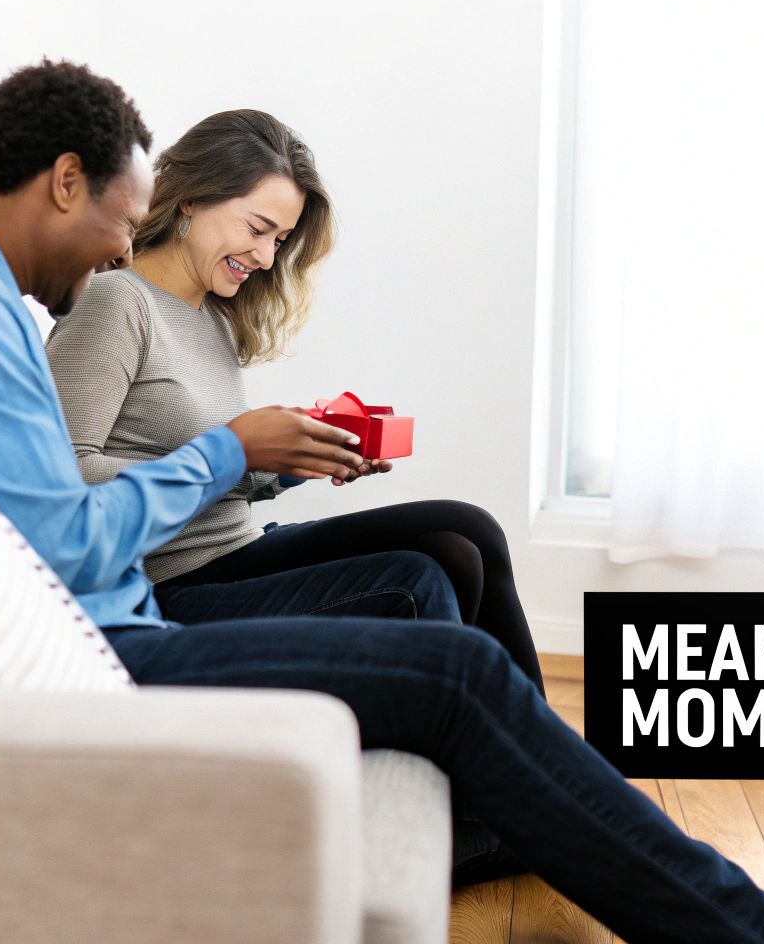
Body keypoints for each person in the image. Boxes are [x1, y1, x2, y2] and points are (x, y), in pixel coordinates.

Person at [0, 59, 764, 944]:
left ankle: (592, 830)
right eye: (115, 219)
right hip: (87, 649)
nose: (113, 250)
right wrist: (226, 454)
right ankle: (752, 929)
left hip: (91, 621)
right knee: (451, 650)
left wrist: (268, 458)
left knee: (453, 590)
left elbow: (35, 523)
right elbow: (56, 532)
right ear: (66, 181)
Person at [43, 109, 545, 697]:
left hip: (232, 547)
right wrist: (232, 451)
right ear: (190, 201)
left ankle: (531, 736)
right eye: (256, 228)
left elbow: (220, 472)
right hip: (163, 582)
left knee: (465, 532)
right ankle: (503, 746)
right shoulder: (117, 303)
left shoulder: (213, 318)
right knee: (418, 575)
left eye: (280, 240)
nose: (266, 257)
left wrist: (295, 460)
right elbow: (62, 474)